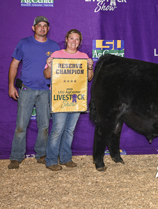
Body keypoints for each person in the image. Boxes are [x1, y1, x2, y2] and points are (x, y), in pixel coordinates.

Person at [8, 16, 60, 169]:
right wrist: (11, 85)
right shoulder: (24, 43)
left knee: (44, 125)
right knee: (21, 126)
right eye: (39, 25)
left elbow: (59, 70)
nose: (42, 28)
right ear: (33, 28)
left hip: (46, 91)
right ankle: (16, 156)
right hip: (26, 89)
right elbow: (14, 64)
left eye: (45, 25)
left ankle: (42, 154)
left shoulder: (54, 46)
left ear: (48, 28)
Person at [44, 29, 94, 171]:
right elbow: (47, 75)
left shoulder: (84, 56)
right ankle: (51, 160)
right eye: (71, 38)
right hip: (59, 96)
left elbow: (89, 77)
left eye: (77, 39)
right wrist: (49, 64)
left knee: (70, 130)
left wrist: (90, 66)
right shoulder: (56, 55)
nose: (74, 41)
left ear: (80, 42)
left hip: (76, 97)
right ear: (66, 39)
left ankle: (66, 158)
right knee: (57, 129)